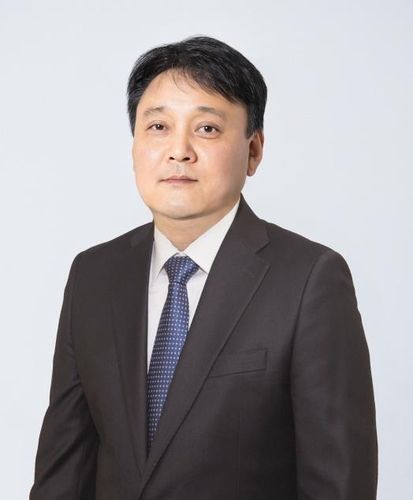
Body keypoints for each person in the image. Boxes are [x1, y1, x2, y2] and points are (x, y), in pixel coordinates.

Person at [29, 35, 378, 499]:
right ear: (134, 145)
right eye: (158, 126)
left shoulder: (309, 280)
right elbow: (62, 474)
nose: (179, 151)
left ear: (253, 150)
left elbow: (338, 485)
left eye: (207, 128)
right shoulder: (93, 275)